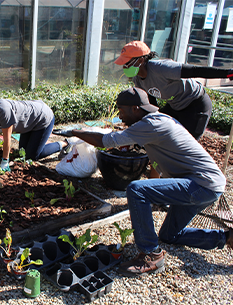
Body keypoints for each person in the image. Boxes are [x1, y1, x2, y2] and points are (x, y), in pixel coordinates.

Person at [54, 87, 231, 276]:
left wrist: (74, 132)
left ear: (135, 108)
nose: (120, 117)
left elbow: (105, 141)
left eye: (121, 111)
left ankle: (151, 254)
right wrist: (156, 191)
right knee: (169, 236)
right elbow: (154, 162)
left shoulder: (151, 125)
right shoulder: (158, 120)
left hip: (201, 185)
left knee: (137, 189)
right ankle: (226, 238)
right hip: (207, 184)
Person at [114, 40, 233, 140]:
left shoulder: (162, 68)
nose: (125, 67)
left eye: (127, 63)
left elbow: (195, 70)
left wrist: (227, 74)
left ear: (140, 60)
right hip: (175, 106)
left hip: (195, 105)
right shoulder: (138, 79)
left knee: (185, 143)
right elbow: (150, 104)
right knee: (160, 132)